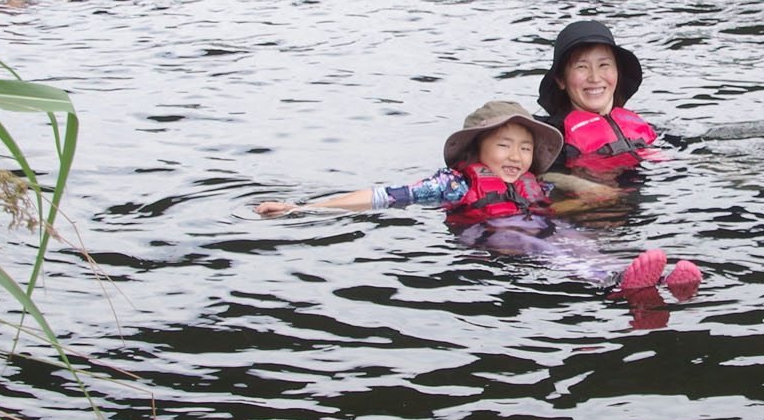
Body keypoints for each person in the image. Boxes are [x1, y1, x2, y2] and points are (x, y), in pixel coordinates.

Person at [255, 100, 699, 296]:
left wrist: (593, 198)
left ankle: (647, 280)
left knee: (577, 239)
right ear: (479, 148)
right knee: (537, 244)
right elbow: (382, 197)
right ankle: (612, 285)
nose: (516, 155)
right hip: (489, 236)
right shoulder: (454, 183)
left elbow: (550, 208)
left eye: (525, 148)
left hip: (535, 223)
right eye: (504, 145)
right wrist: (303, 207)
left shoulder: (535, 185)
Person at [537, 20, 662, 189]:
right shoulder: (550, 138)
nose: (595, 78)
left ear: (617, 72)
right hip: (589, 210)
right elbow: (539, 174)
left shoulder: (643, 126)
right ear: (561, 80)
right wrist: (579, 185)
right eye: (581, 67)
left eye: (604, 65)